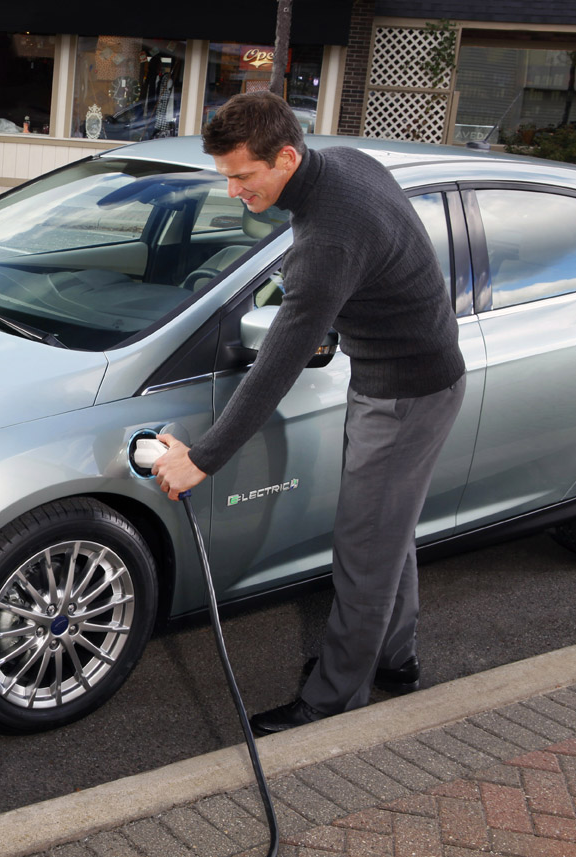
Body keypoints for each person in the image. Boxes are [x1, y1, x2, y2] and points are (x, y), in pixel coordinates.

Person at [149, 91, 466, 734]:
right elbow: (388, 258)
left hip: (405, 394)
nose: (233, 190)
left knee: (363, 548)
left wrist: (201, 460)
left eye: (243, 175)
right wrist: (341, 320)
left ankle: (331, 702)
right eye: (227, 176)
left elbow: (275, 367)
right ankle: (395, 661)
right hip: (413, 377)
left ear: (286, 156)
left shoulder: (325, 239)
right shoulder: (349, 163)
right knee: (386, 533)